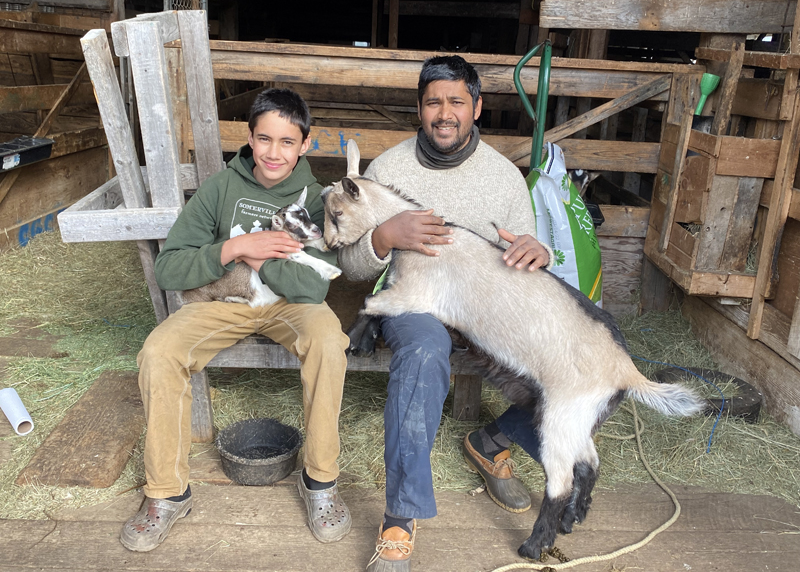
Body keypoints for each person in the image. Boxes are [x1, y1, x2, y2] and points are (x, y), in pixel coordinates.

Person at [338, 55, 553, 572]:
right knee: (422, 350)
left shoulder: (504, 178)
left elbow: (529, 250)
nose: (444, 113)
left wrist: (536, 252)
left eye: (456, 101)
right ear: (419, 108)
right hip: (418, 304)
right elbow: (350, 267)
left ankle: (491, 440)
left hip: (485, 306)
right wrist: (384, 238)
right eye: (433, 101)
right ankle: (400, 515)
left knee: (566, 355)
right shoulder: (387, 169)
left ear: (476, 107)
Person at [120, 88, 351, 552]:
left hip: (290, 306)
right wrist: (234, 248)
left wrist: (263, 261)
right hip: (221, 303)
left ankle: (320, 482)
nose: (273, 152)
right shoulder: (221, 188)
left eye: (287, 142)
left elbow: (314, 287)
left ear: (305, 144)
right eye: (264, 139)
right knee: (159, 351)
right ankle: (167, 493)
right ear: (249, 137)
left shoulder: (314, 197)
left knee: (328, 341)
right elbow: (169, 269)